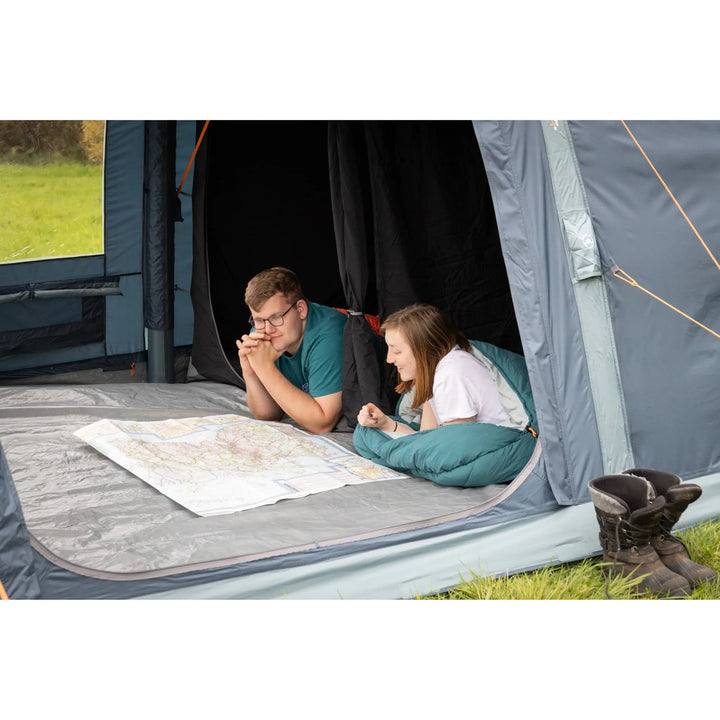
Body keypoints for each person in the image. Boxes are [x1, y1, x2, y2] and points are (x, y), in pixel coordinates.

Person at [356, 303, 510, 434]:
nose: (389, 359)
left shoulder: (451, 373)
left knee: (369, 439)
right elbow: (426, 438)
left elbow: (457, 448)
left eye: (397, 351)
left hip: (497, 450)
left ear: (425, 349)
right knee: (369, 433)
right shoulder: (434, 372)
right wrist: (386, 424)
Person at [236, 267, 346, 434]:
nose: (268, 329)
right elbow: (268, 415)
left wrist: (265, 367)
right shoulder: (263, 334)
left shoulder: (330, 335)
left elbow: (322, 424)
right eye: (259, 320)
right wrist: (250, 372)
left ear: (301, 309)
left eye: (276, 317)